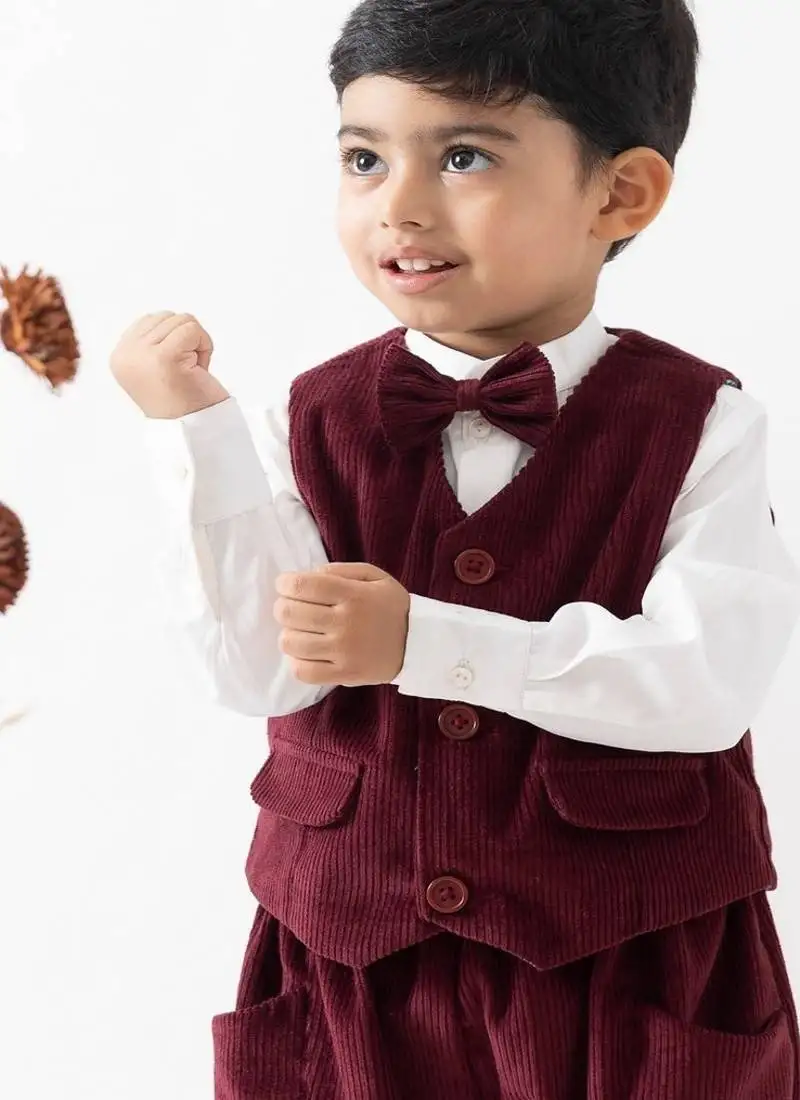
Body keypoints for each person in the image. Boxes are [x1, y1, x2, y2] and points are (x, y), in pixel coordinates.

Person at [110, 1, 800, 1096]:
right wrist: (194, 431)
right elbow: (258, 664)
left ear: (619, 193)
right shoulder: (314, 414)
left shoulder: (702, 421)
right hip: (351, 956)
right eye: (363, 157)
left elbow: (701, 680)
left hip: (627, 957)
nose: (400, 207)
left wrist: (422, 638)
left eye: (463, 155)